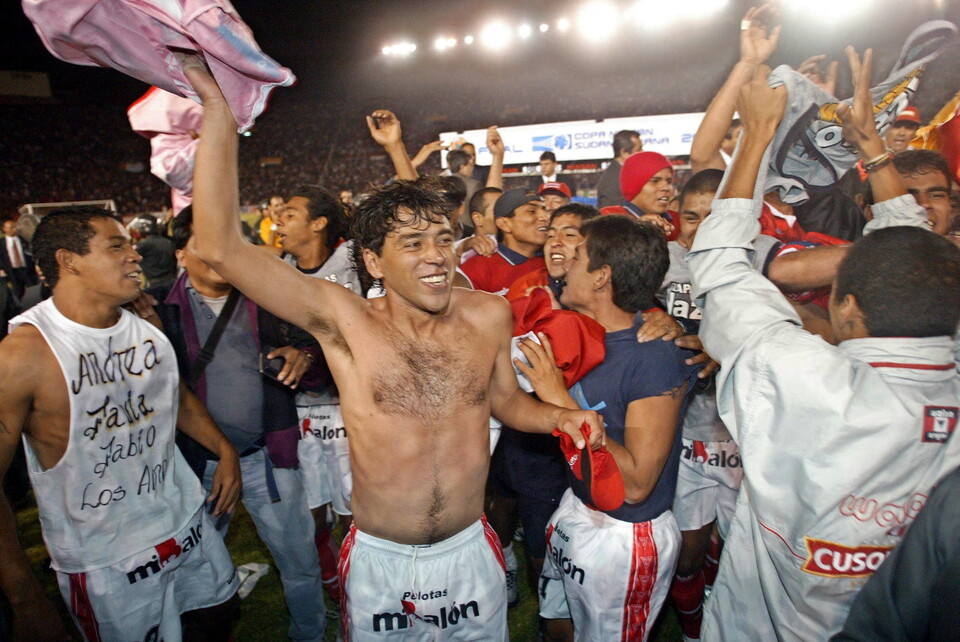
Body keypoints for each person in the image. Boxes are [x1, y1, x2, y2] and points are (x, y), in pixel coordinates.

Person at [182, 59, 604, 641]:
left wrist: (559, 416)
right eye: (412, 243)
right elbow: (219, 244)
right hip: (382, 562)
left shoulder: (487, 313)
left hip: (468, 551)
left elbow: (507, 403)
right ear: (375, 262)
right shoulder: (343, 319)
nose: (435, 255)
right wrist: (218, 108)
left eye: (441, 239)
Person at [690, 52, 960, 641]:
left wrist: (758, 132)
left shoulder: (799, 377)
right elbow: (919, 259)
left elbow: (715, 264)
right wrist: (872, 145)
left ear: (847, 306)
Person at [0, 206, 241, 641]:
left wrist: (224, 449)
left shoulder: (145, 330)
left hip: (185, 525)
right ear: (68, 260)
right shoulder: (23, 355)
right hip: (107, 561)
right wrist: (23, 597)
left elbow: (175, 397)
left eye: (131, 244)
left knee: (216, 619)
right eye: (117, 246)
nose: (135, 255)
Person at [150, 206, 328, 641]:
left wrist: (305, 355)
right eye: (204, 243)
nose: (218, 255)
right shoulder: (155, 310)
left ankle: (311, 633)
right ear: (180, 253)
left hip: (268, 457)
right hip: (194, 468)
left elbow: (317, 347)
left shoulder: (269, 298)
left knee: (300, 562)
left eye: (226, 244)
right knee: (189, 571)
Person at [518, 215, 700, 641]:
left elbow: (636, 483)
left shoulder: (655, 356)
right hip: (577, 508)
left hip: (624, 534)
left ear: (601, 276)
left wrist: (558, 398)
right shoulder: (579, 332)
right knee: (557, 624)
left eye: (578, 254)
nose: (564, 262)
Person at [461, 188, 549, 295]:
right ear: (504, 224)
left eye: (545, 210)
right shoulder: (477, 269)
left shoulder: (555, 262)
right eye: (531, 211)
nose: (544, 217)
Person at [596, 129, 642, 209]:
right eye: (639, 149)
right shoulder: (612, 179)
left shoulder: (625, 173)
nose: (642, 152)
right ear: (624, 152)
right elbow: (611, 216)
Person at [1, 218, 39, 300]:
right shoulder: (2, 243)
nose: (14, 229)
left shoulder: (24, 240)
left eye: (15, 226)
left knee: (33, 289)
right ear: (4, 229)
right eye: (11, 227)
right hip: (12, 272)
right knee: (18, 292)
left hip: (27, 269)